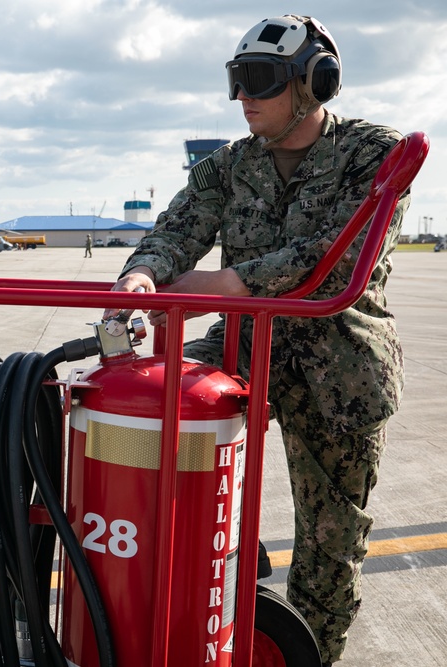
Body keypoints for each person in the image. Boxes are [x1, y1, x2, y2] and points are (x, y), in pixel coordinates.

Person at [109, 16, 408, 665]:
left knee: (331, 542)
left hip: (341, 369)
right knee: (143, 419)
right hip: (245, 347)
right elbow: (178, 230)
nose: (244, 96)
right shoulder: (229, 165)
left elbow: (342, 254)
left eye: (261, 81)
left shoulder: (372, 153)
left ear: (314, 84)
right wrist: (141, 275)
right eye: (237, 80)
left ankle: (309, 654)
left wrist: (230, 279)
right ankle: (195, 586)